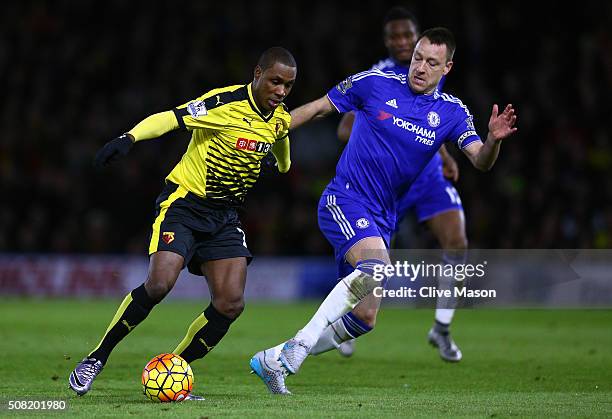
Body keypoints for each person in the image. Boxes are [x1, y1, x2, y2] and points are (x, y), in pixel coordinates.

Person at [250, 28, 517, 394]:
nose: (420, 67)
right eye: (418, 57)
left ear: (447, 67)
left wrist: (493, 141)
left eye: (432, 62)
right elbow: (316, 109)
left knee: (365, 316)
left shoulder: (452, 112)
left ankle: (272, 359)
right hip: (344, 198)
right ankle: (299, 344)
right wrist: (267, 133)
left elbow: (480, 161)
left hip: (382, 218)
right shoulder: (375, 83)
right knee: (376, 268)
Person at [68, 47, 297, 397]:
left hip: (225, 217)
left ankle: (172, 369)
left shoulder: (279, 118)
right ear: (257, 74)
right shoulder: (223, 102)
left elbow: (281, 148)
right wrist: (129, 138)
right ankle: (95, 359)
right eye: (276, 81)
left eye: (288, 86)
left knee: (231, 303)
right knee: (159, 284)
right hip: (185, 205)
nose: (281, 91)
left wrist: (279, 166)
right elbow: (170, 118)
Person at [333, 7, 467, 362]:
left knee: (457, 239)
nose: (403, 42)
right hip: (387, 184)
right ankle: (347, 320)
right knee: (364, 257)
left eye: (408, 35)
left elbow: (429, 122)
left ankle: (441, 327)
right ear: (387, 41)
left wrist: (445, 156)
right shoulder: (379, 77)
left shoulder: (429, 67)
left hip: (428, 178)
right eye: (395, 37)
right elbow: (345, 127)